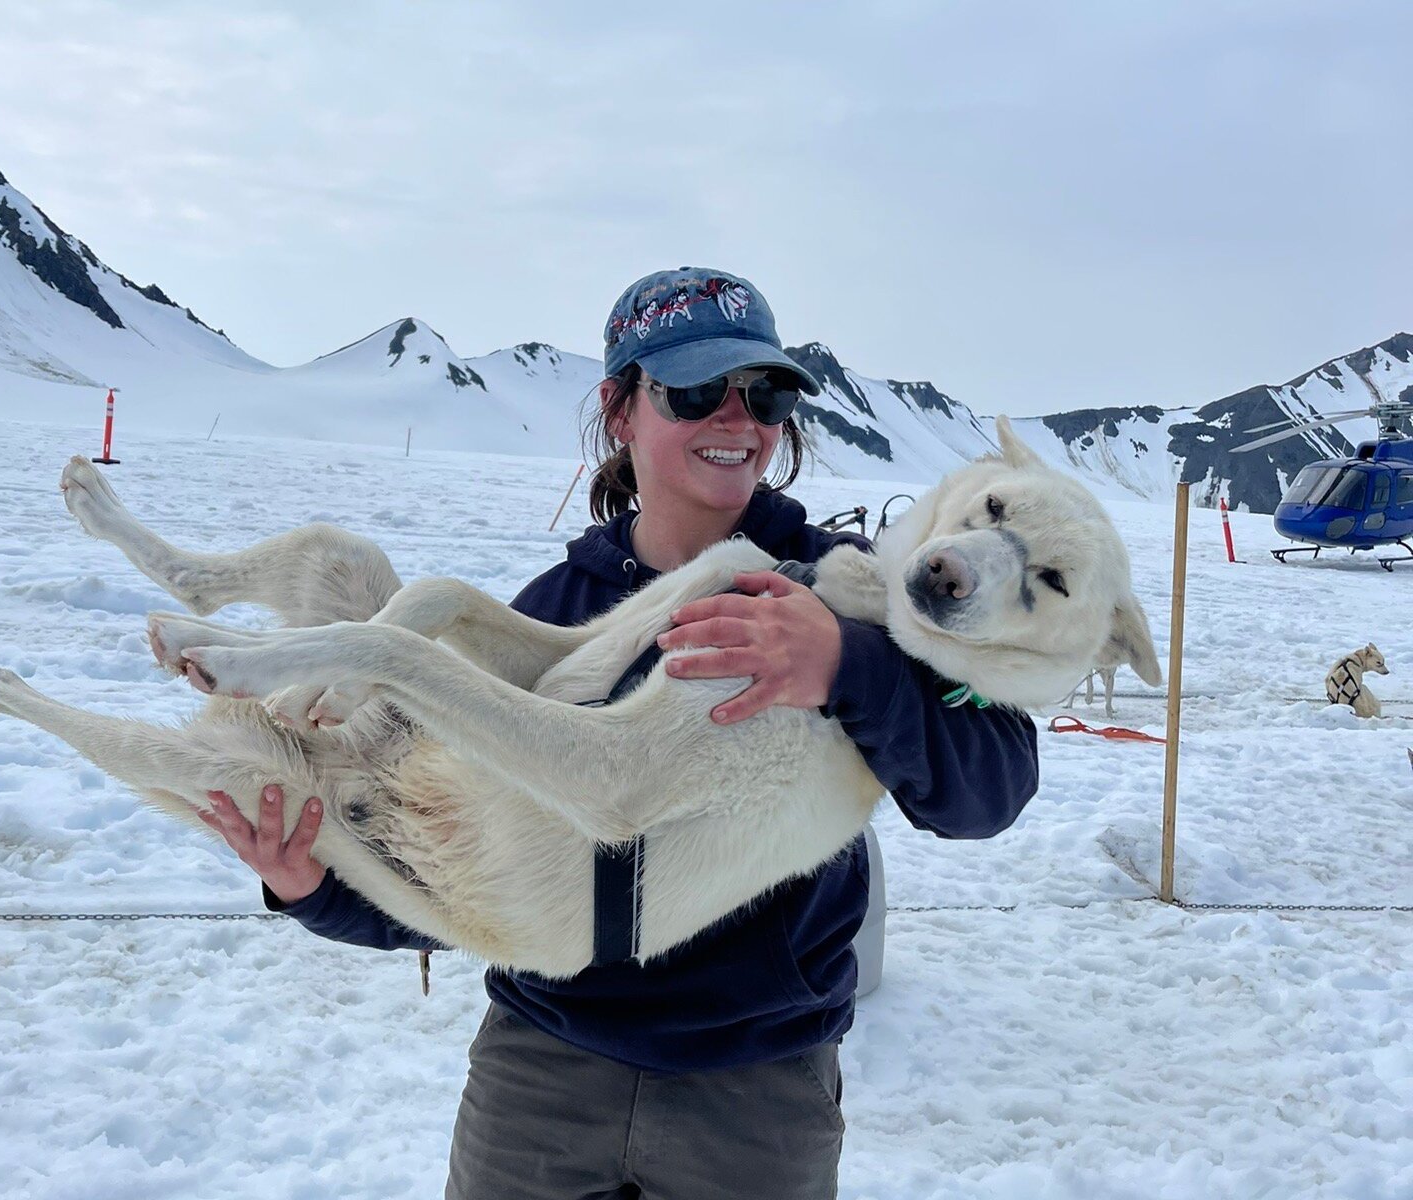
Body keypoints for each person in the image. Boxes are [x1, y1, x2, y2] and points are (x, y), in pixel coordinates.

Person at [199, 267, 1040, 1199]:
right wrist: (311, 887)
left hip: (755, 1092)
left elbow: (990, 788)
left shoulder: (854, 593)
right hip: (540, 1078)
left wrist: (845, 662)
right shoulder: (543, 616)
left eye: (762, 394)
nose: (736, 420)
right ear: (621, 408)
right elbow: (449, 853)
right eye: (693, 392)